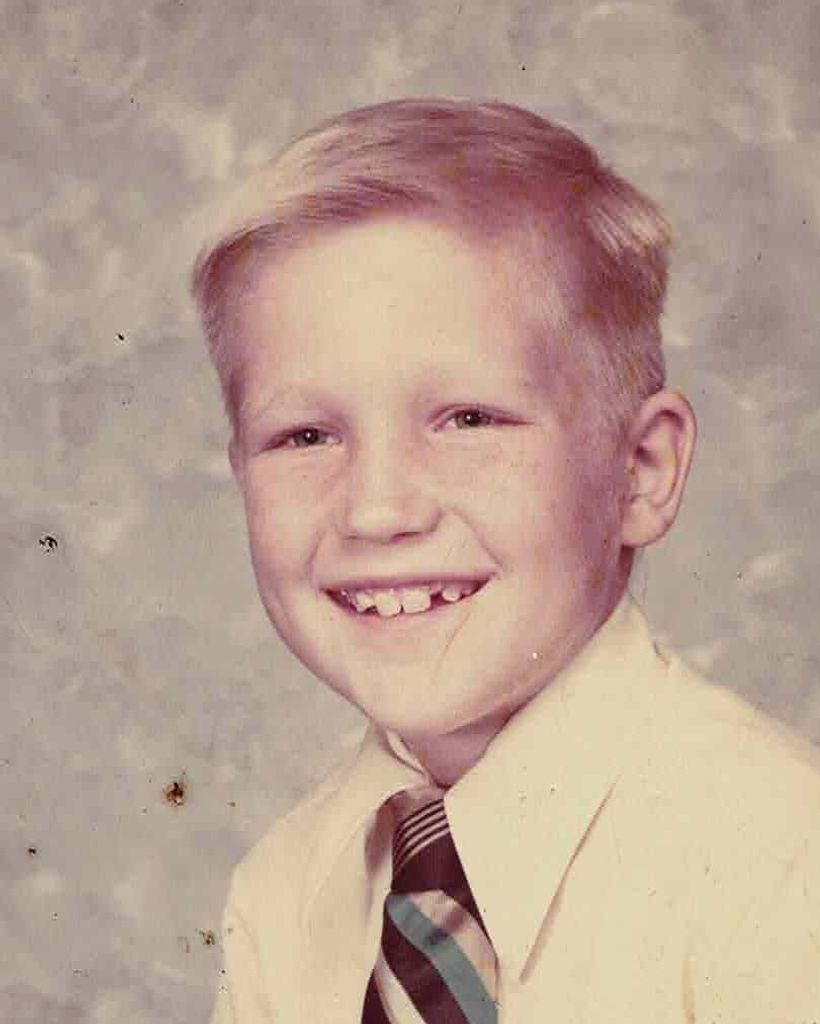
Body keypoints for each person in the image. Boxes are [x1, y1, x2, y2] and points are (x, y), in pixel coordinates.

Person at [192, 99, 820, 1022]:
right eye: (305, 435)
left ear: (641, 471)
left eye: (468, 419)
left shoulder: (781, 867)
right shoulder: (284, 895)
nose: (376, 510)